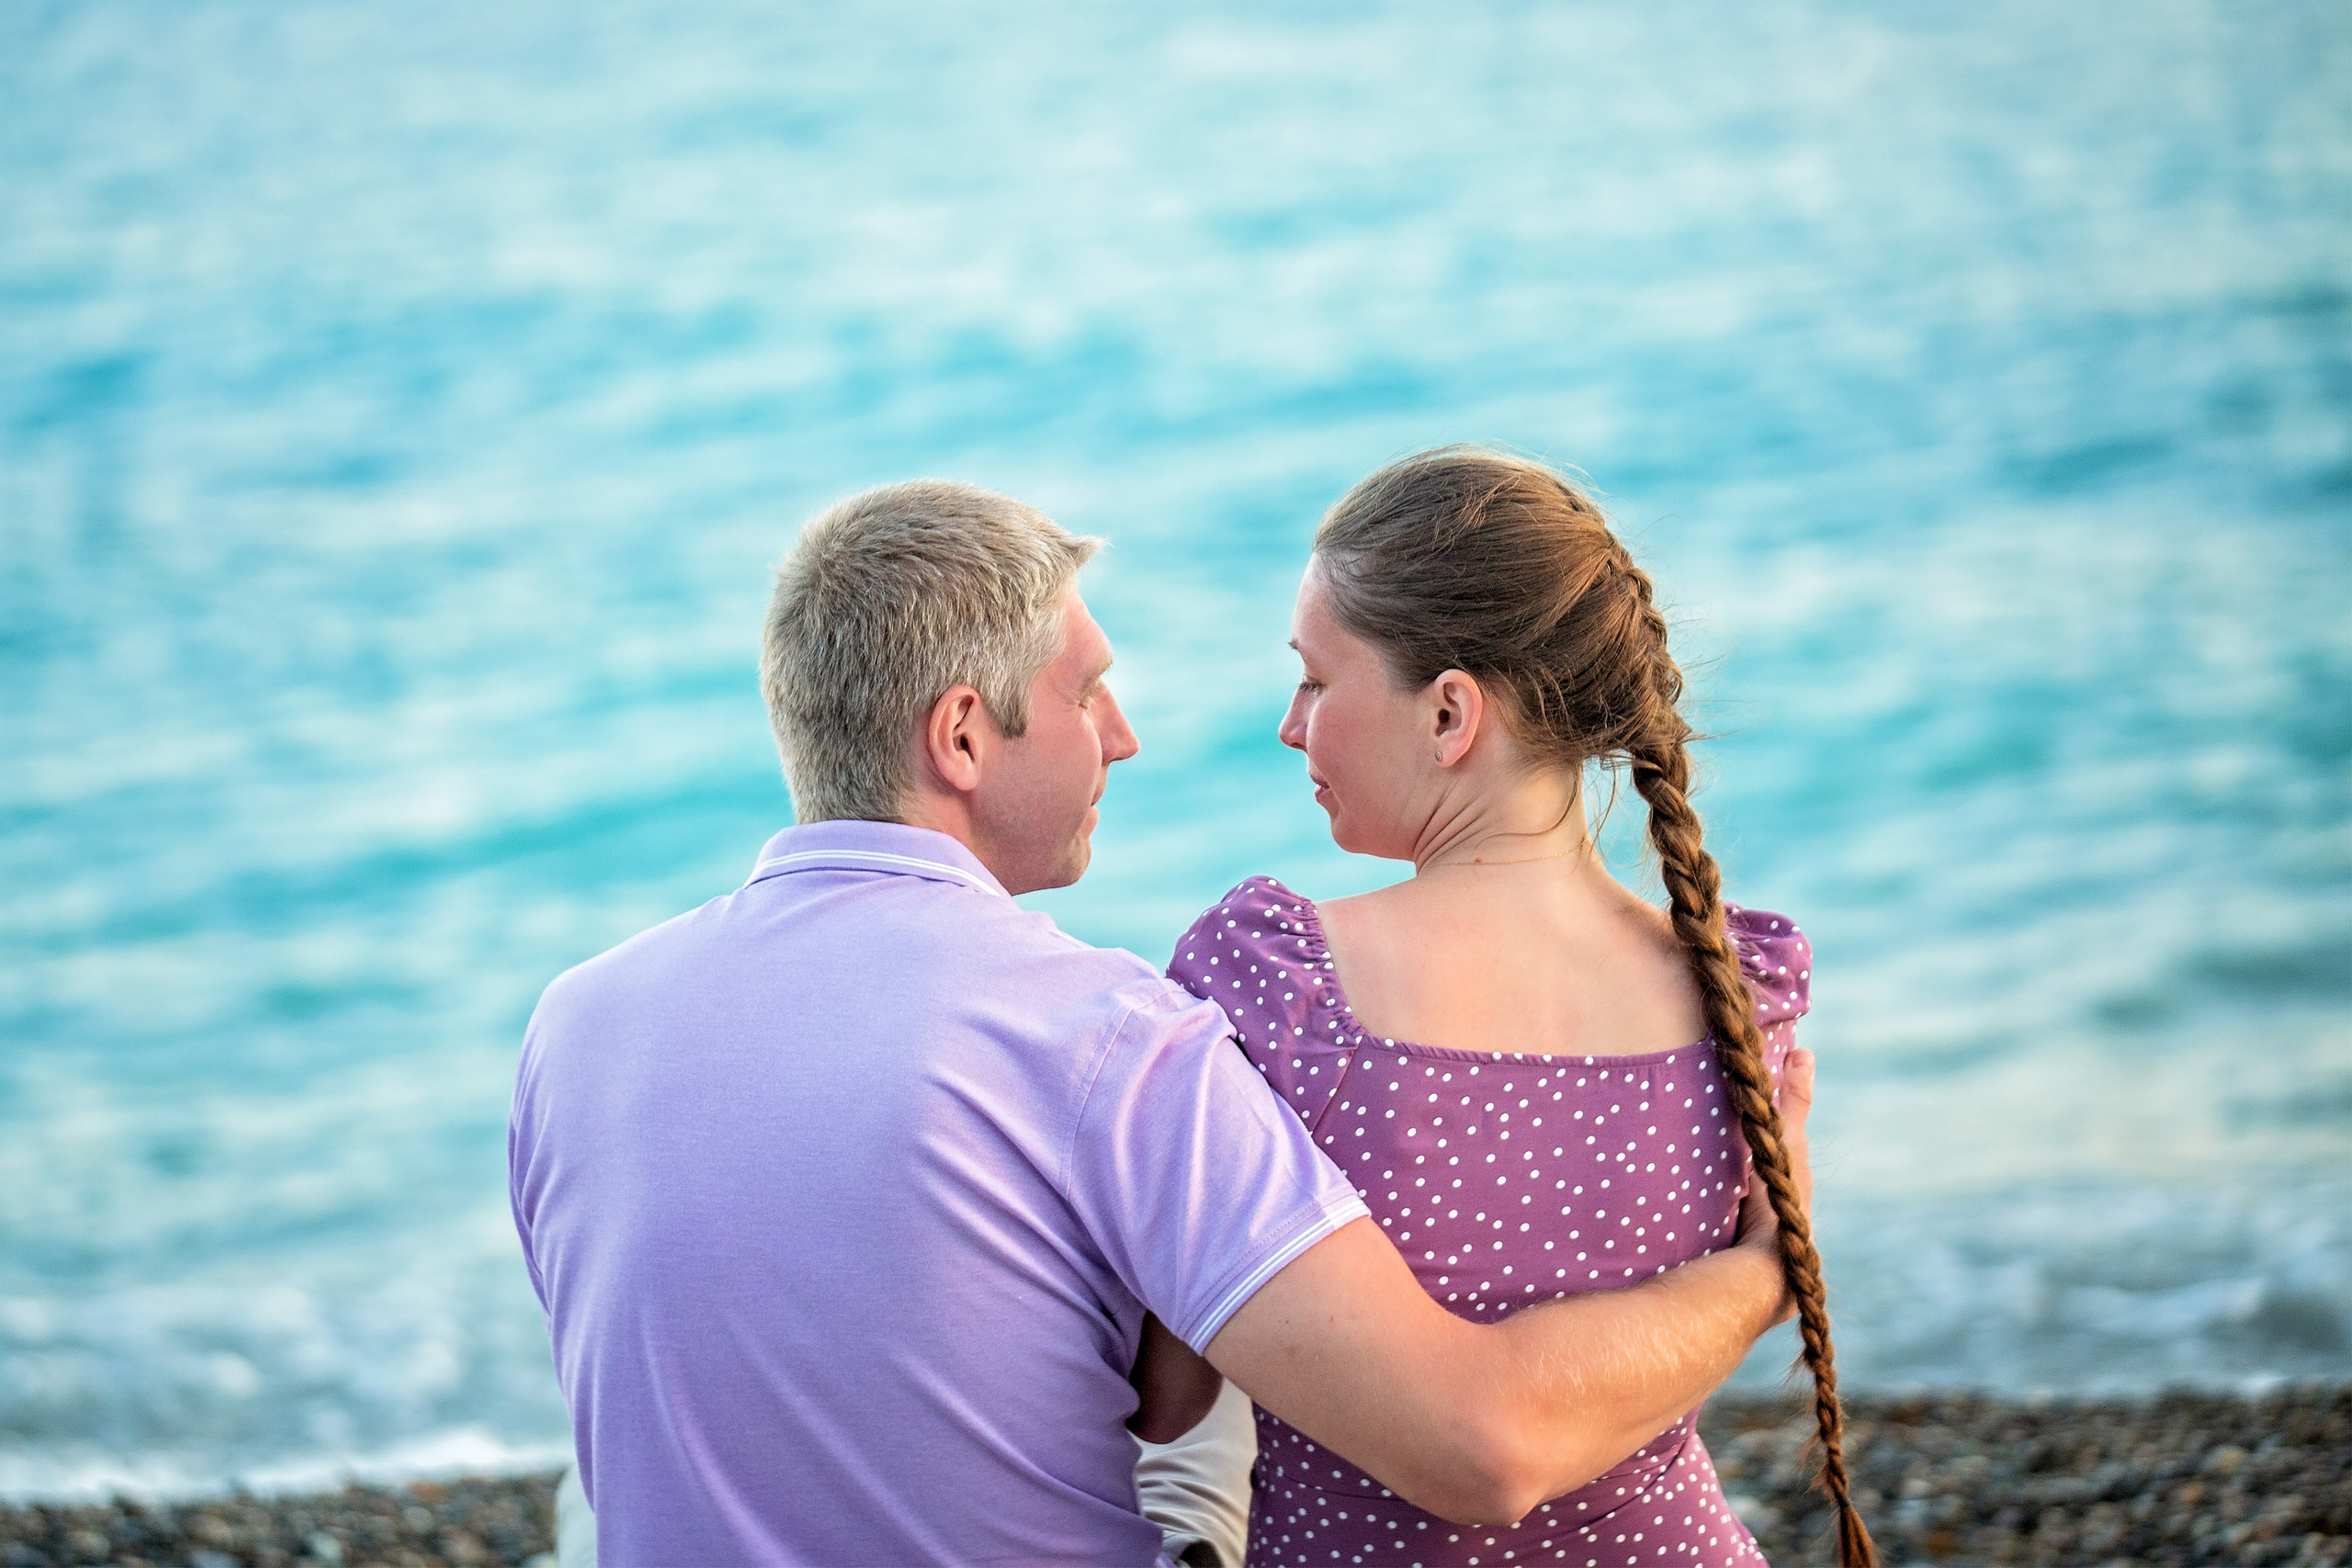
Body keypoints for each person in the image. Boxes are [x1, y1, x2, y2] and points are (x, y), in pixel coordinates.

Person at [508, 479, 1819, 1567]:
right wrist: (1766, 1275)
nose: (1125, 738)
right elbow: (1466, 1440)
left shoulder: (571, 1028)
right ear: (962, 736)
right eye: (1088, 694)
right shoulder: (1104, 1038)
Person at [1158, 448, 1873, 1566]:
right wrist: (1758, 1280)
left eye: (1315, 679)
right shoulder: (1736, 995)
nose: (1292, 725)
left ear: (1449, 715)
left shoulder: (1278, 988)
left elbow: (1169, 1389)